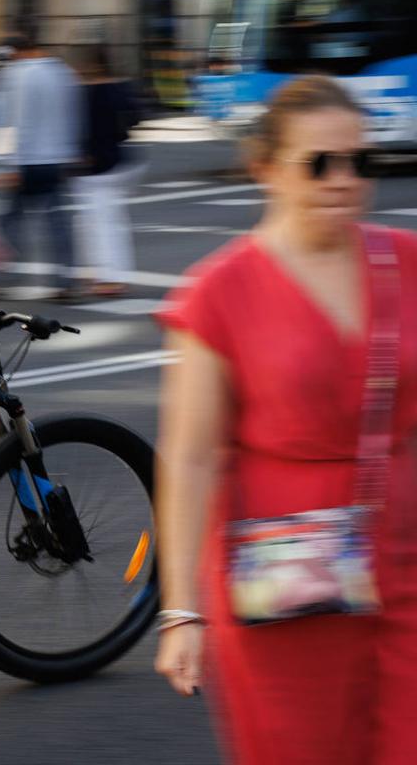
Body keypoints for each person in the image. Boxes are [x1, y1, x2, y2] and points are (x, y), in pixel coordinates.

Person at [154, 75, 417, 763]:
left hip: (404, 559)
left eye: (361, 161)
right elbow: (190, 460)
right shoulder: (218, 292)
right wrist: (181, 610)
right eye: (320, 163)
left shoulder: (406, 261)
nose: (344, 180)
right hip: (288, 582)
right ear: (265, 168)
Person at [0, 30, 83, 301]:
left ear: (14, 51)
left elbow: (16, 120)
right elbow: (72, 115)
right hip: (56, 158)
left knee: (10, 223)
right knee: (58, 223)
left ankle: (2, 278)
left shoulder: (13, 75)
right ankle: (65, 280)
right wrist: (71, 152)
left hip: (25, 160)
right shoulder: (62, 72)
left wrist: (7, 164)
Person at [73, 44, 144, 297]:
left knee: (98, 224)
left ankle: (108, 277)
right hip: (119, 160)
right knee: (112, 221)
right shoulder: (120, 87)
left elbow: (80, 129)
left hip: (96, 166)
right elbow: (136, 117)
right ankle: (113, 275)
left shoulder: (87, 93)